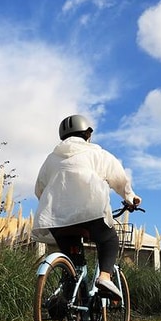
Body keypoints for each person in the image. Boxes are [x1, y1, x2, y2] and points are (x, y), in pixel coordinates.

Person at [32, 114, 141, 301]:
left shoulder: (50, 160)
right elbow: (119, 179)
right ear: (88, 133)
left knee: (73, 264)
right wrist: (131, 198)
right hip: (91, 212)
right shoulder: (98, 154)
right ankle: (105, 277)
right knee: (108, 239)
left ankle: (69, 300)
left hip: (56, 219)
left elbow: (39, 190)